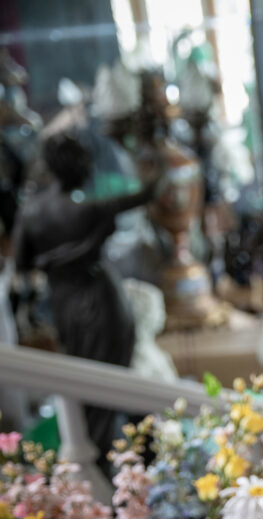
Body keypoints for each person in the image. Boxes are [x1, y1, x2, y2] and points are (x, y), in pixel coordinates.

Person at [12, 132, 160, 450]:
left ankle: (106, 449)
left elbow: (21, 267)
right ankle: (117, 451)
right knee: (112, 377)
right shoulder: (89, 210)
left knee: (86, 380)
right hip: (101, 299)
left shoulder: (32, 212)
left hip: (64, 303)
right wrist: (140, 146)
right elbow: (148, 191)